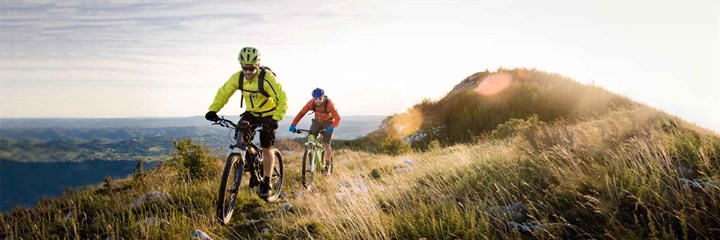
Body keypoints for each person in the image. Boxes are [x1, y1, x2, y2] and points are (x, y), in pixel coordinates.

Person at [205, 46, 287, 199]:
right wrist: (213, 110)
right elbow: (224, 92)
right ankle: (251, 159)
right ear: (241, 65)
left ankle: (267, 182)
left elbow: (282, 99)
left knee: (266, 146)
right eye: (245, 68)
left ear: (257, 65)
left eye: (251, 68)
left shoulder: (267, 78)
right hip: (251, 113)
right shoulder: (238, 77)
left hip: (269, 114)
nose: (248, 72)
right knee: (240, 138)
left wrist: (276, 119)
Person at [289, 88, 341, 170]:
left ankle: (327, 166)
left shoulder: (329, 104)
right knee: (310, 140)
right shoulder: (311, 103)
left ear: (323, 97)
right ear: (313, 98)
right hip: (317, 122)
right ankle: (312, 164)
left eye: (320, 98)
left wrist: (332, 126)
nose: (318, 101)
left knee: (326, 144)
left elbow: (337, 118)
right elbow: (301, 113)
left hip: (328, 123)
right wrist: (293, 124)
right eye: (315, 99)